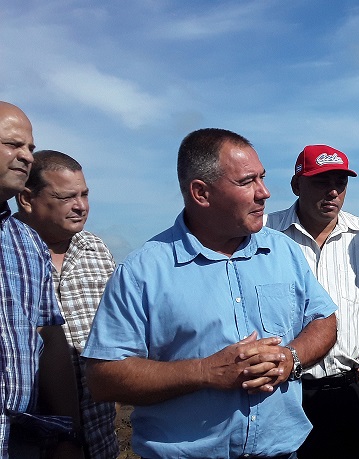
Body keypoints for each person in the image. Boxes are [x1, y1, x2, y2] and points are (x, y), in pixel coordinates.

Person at [82, 128, 338, 459]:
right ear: (201, 193)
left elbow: (324, 319)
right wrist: (203, 372)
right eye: (248, 182)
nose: (265, 193)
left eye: (262, 178)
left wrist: (291, 358)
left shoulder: (283, 251)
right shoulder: (143, 271)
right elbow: (103, 377)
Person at [265, 144, 359, 459]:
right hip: (283, 393)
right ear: (296, 184)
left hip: (347, 394)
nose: (333, 191)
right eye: (322, 181)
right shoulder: (266, 233)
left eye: (341, 183)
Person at [15, 150, 118, 458]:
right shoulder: (10, 252)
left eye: (85, 194)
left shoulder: (95, 250)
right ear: (26, 198)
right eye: (66, 197)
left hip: (100, 440)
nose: (81, 206)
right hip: (27, 443)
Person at [0, 102, 84, 458]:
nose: (26, 157)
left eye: (30, 148)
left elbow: (50, 340)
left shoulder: (24, 242)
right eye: (13, 145)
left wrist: (68, 434)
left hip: (22, 436)